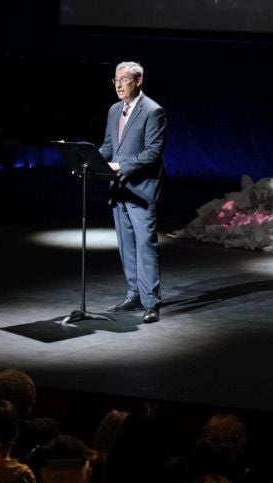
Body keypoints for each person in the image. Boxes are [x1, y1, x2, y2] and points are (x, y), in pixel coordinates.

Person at [99, 60, 167, 324]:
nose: (118, 85)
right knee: (126, 245)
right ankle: (134, 295)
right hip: (119, 188)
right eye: (115, 80)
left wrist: (120, 165)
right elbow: (109, 146)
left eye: (124, 80)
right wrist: (92, 161)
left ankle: (151, 303)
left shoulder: (153, 111)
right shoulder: (114, 110)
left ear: (138, 81)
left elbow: (152, 153)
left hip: (142, 189)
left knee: (145, 245)